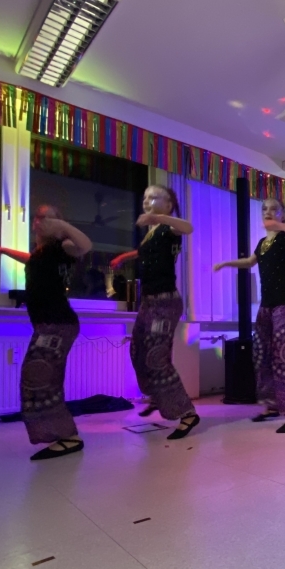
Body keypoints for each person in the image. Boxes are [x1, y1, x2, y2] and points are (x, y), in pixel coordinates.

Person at [0, 205, 93, 460]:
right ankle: (64, 435)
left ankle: (68, 437)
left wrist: (62, 226)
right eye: (38, 217)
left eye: (47, 217)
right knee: (40, 379)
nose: (40, 221)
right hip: (49, 324)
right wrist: (2, 250)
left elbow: (85, 245)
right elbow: (30, 259)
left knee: (39, 378)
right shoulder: (41, 253)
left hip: (57, 324)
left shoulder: (63, 247)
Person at [110, 185, 199, 439]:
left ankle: (187, 413)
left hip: (165, 302)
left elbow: (188, 228)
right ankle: (158, 396)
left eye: (153, 197)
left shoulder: (169, 227)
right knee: (137, 351)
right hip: (148, 303)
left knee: (156, 357)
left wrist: (158, 217)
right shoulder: (153, 232)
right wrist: (124, 258)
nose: (147, 200)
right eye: (145, 197)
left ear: (168, 205)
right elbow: (145, 252)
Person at [214, 198, 285, 433]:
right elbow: (249, 262)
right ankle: (272, 404)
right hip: (266, 306)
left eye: (274, 209)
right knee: (260, 355)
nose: (268, 212)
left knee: (283, 357)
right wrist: (226, 263)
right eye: (265, 209)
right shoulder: (261, 243)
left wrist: (279, 225)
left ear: (283, 214)